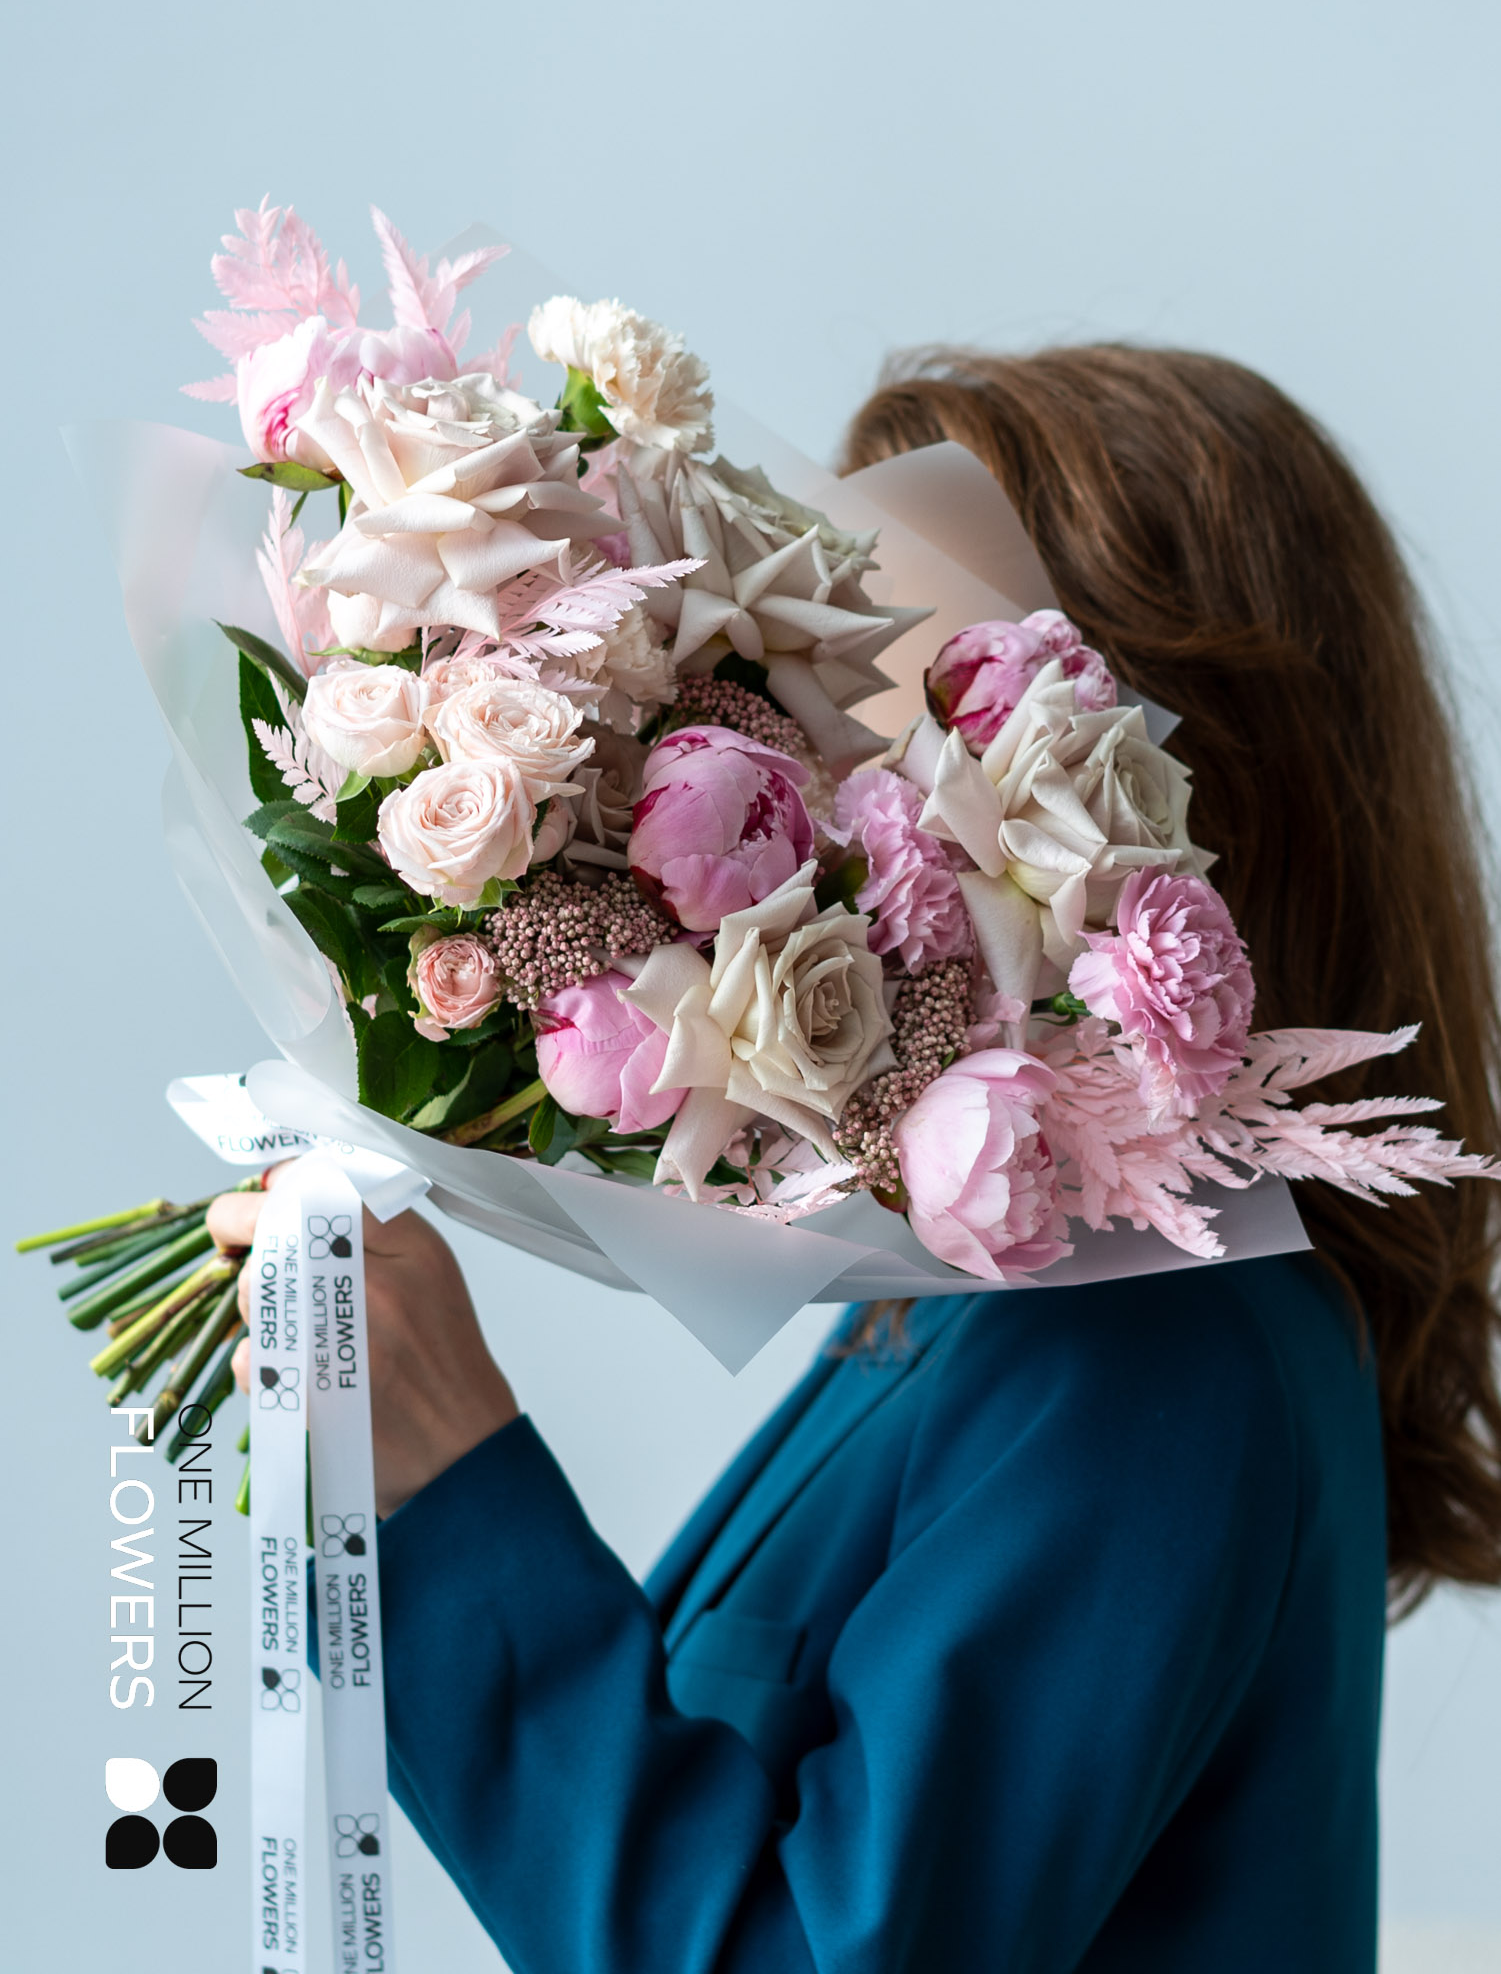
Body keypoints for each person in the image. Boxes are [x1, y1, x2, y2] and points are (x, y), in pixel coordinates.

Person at [216, 344, 1501, 1972]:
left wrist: (444, 1486)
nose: (820, 775)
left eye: (914, 694)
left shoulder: (1153, 1342)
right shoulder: (966, 1307)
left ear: (1149, 791)